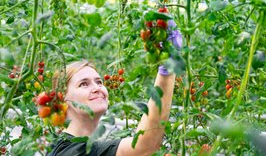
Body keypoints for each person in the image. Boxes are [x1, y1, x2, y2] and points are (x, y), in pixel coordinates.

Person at [46, 60, 176, 156]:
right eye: (83, 84)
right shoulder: (70, 152)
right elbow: (145, 144)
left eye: (99, 82)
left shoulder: (67, 146)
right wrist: (167, 71)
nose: (97, 88)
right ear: (62, 99)